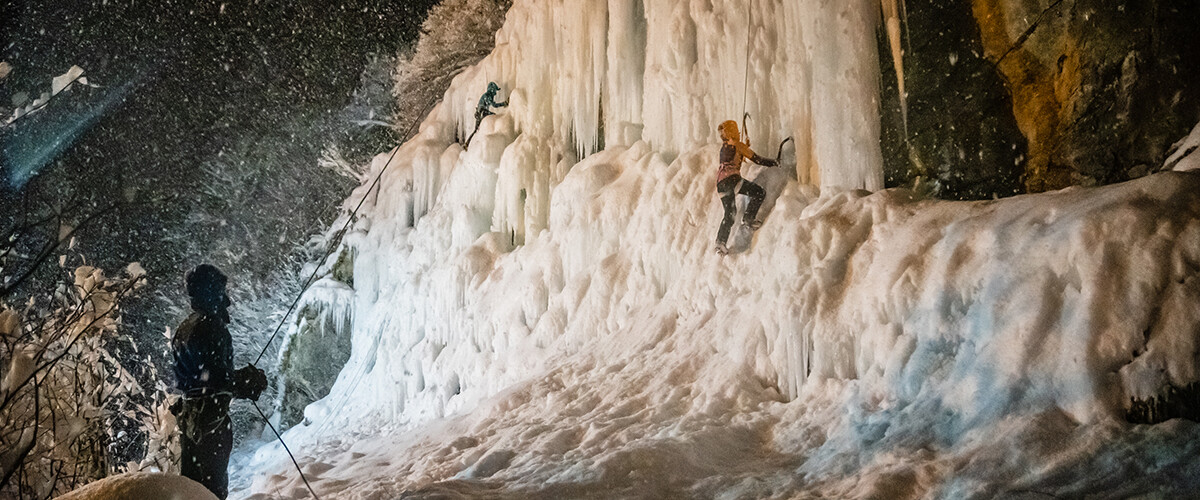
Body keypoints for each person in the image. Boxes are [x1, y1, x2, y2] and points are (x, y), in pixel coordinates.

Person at [172, 264, 267, 499]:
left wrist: (239, 380)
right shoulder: (210, 327)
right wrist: (247, 380)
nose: (227, 300)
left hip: (191, 421)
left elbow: (200, 380)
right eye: (221, 292)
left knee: (193, 489)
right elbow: (216, 381)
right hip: (210, 423)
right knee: (212, 490)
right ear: (209, 292)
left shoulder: (185, 328)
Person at [714, 120, 777, 255]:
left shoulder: (724, 147)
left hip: (721, 184)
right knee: (759, 192)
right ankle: (749, 218)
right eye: (736, 130)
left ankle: (720, 242)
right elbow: (758, 160)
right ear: (732, 132)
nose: (738, 132)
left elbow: (733, 157)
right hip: (732, 181)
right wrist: (775, 162)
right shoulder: (738, 145)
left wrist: (743, 150)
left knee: (729, 214)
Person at [467, 81, 508, 146]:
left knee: (476, 129)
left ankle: (468, 143)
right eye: (495, 91)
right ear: (492, 89)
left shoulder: (487, 95)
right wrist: (504, 103)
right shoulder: (488, 95)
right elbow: (494, 105)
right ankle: (469, 143)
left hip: (480, 112)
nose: (495, 93)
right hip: (482, 112)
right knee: (493, 117)